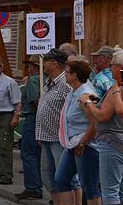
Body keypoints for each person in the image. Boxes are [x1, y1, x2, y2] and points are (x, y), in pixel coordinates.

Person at [36, 48, 82, 205]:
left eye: (46, 62)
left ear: (54, 63)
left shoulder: (66, 83)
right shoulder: (49, 81)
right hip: (47, 136)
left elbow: (75, 109)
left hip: (60, 138)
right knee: (48, 178)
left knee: (66, 177)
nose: (43, 65)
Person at [80, 48, 123, 205]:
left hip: (112, 141)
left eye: (112, 65)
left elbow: (102, 116)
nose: (110, 68)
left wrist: (87, 102)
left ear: (119, 67)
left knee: (110, 191)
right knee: (120, 189)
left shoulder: (116, 89)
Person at [54, 60, 100, 205]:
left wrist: (83, 143)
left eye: (66, 72)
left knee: (90, 188)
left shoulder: (86, 95)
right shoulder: (74, 91)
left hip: (86, 146)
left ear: (74, 75)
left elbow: (96, 122)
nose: (64, 75)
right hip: (72, 143)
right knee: (61, 179)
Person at [16, 56, 43, 199]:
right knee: (38, 154)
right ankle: (38, 183)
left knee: (28, 153)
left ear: (34, 67)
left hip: (32, 118)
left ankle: (32, 186)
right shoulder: (47, 79)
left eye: (30, 66)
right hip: (41, 119)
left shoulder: (33, 80)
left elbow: (34, 101)